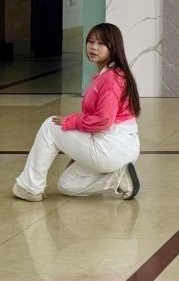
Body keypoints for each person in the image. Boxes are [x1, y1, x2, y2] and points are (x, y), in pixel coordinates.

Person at [13, 23, 141, 201]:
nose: (93, 47)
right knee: (67, 185)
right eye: (91, 41)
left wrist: (71, 121)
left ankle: (29, 187)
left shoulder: (111, 79)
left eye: (101, 43)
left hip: (110, 146)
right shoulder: (113, 74)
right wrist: (79, 152)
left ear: (113, 48)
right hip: (122, 148)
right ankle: (118, 178)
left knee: (50, 126)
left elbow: (103, 120)